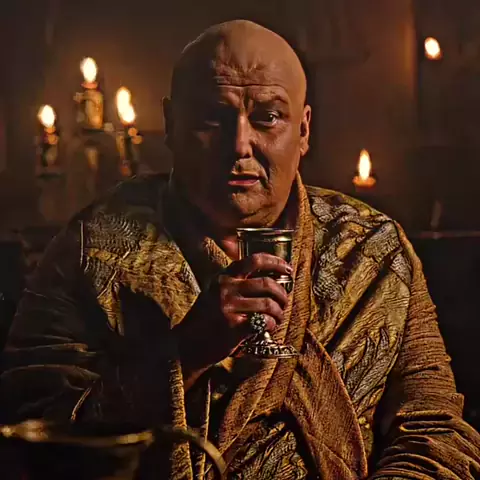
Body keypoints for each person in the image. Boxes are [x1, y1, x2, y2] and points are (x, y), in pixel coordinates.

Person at [1, 20, 479, 479]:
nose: (239, 145)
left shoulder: (373, 251)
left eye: (268, 117)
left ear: (303, 130)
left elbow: (435, 431)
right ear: (171, 124)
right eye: (212, 118)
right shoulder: (92, 248)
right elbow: (32, 433)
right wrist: (185, 353)